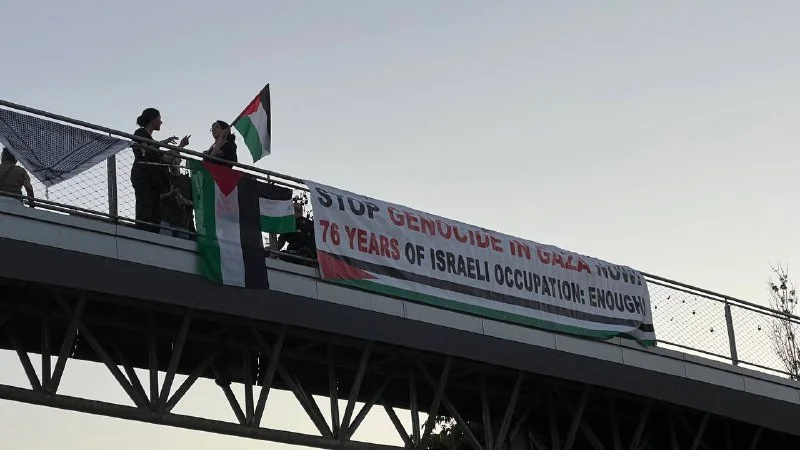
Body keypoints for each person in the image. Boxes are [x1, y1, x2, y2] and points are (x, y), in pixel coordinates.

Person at [131, 108, 189, 232]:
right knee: (145, 209)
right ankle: (143, 231)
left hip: (153, 181)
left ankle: (151, 232)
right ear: (152, 119)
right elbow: (145, 149)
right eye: (159, 118)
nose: (161, 122)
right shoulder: (140, 133)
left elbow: (165, 159)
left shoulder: (150, 140)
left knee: (154, 212)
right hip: (143, 177)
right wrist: (163, 143)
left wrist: (180, 146)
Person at [159, 159, 194, 239]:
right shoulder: (163, 178)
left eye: (175, 159)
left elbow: (198, 204)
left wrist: (185, 201)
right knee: (165, 242)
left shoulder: (188, 181)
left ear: (180, 161)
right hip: (165, 220)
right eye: (170, 160)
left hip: (182, 223)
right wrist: (169, 194)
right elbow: (154, 196)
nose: (172, 163)